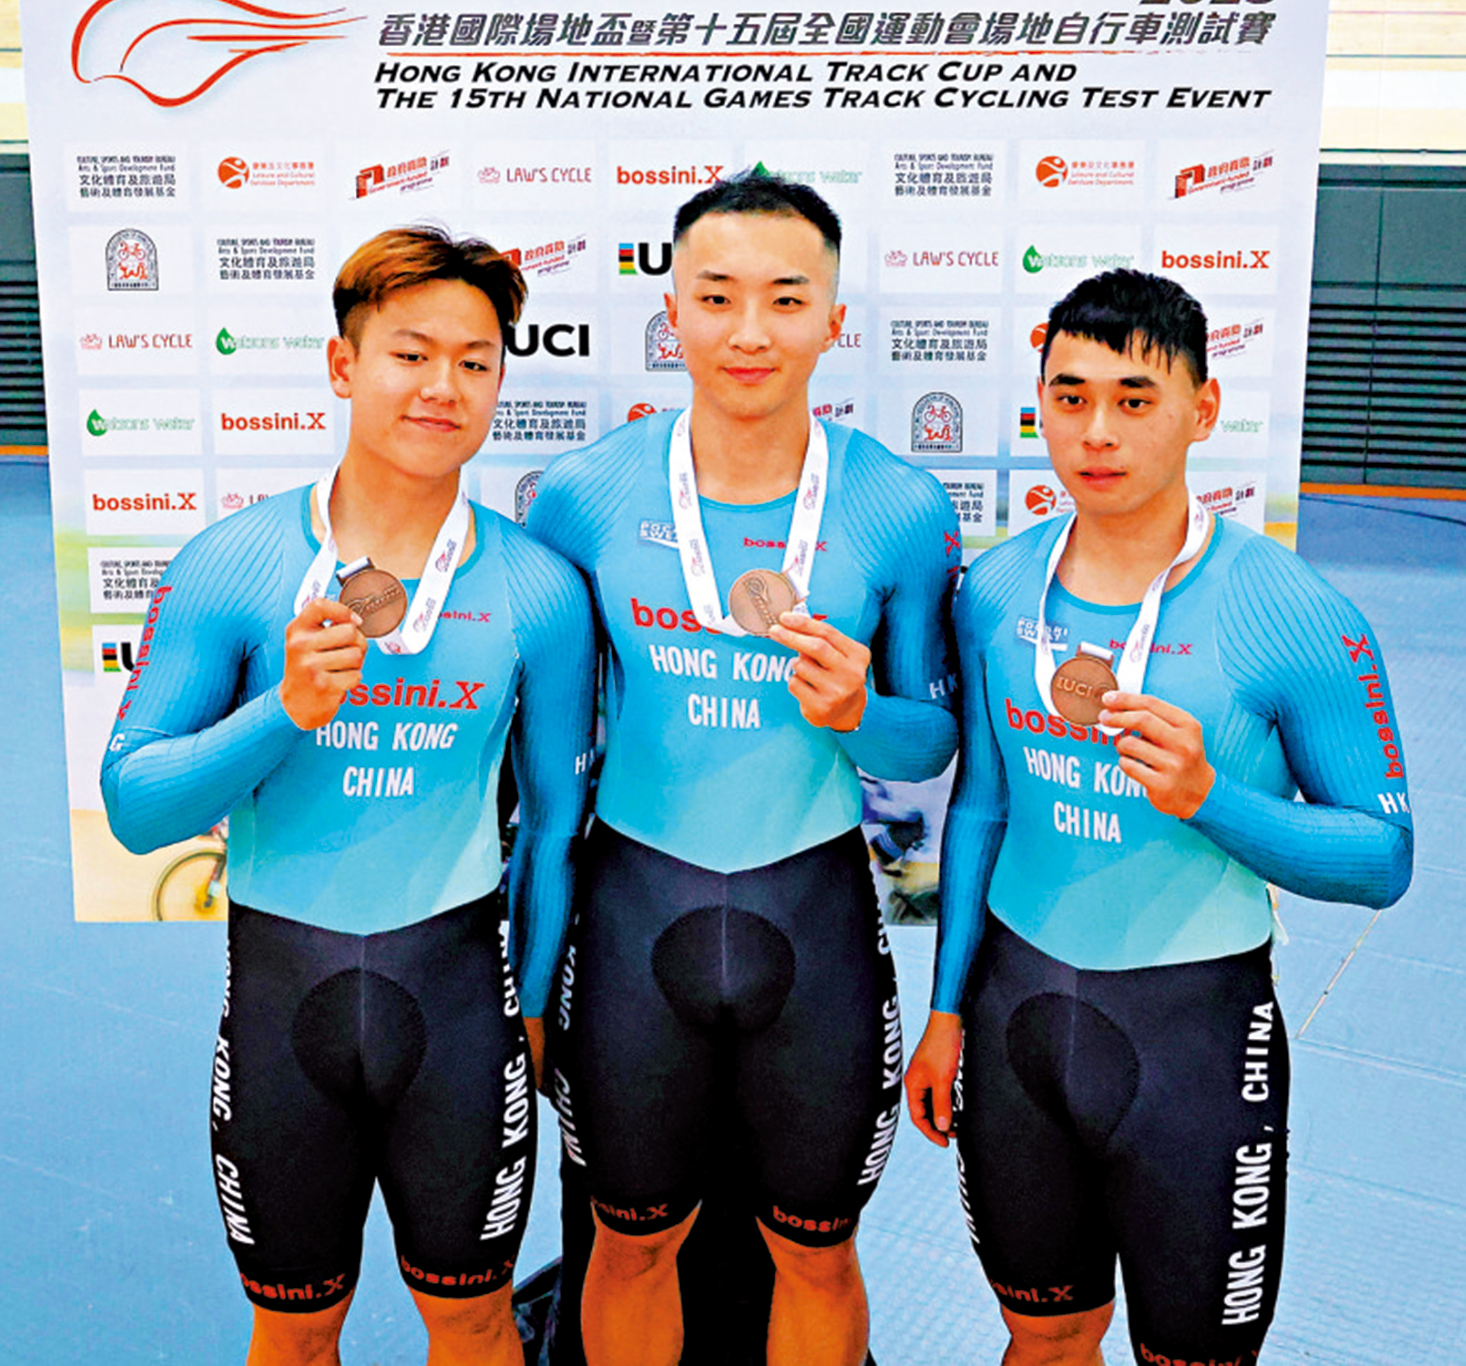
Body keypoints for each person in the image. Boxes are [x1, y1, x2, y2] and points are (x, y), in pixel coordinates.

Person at [101, 226, 596, 1366]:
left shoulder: (537, 589)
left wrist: (531, 1004)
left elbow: (554, 826)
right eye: (410, 355)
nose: (442, 387)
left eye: (473, 362)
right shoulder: (234, 564)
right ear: (343, 365)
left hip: (461, 1013)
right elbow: (135, 806)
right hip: (285, 1013)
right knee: (293, 1328)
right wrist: (282, 711)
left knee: (474, 1321)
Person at [905, 268, 1414, 1366]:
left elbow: (1382, 858)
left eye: (1134, 399)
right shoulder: (996, 590)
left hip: (1194, 1038)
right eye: (1071, 397)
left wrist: (1211, 801)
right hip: (1015, 1017)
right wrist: (944, 1010)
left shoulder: (1290, 611)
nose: (1097, 431)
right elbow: (982, 807)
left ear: (1202, 408)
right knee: (1042, 1336)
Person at [528, 170, 960, 1366]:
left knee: (816, 1252)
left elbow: (926, 743)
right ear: (670, 311)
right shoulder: (582, 496)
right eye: (716, 297)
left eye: (785, 298)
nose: (749, 331)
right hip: (632, 912)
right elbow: (549, 755)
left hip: (811, 917)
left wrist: (857, 715)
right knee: (626, 1246)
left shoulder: (896, 503)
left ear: (833, 319)